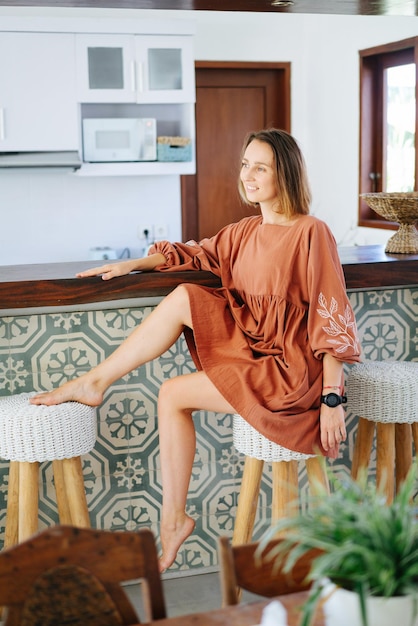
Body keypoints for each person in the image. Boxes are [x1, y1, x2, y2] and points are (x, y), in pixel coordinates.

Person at [31, 128, 361, 572]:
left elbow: (331, 315)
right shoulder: (244, 231)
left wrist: (332, 400)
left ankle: (171, 520)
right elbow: (194, 255)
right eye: (245, 164)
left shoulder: (311, 232)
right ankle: (95, 383)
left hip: (290, 372)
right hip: (254, 353)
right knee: (187, 293)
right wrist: (134, 263)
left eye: (260, 167)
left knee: (171, 394)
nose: (248, 175)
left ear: (285, 172)